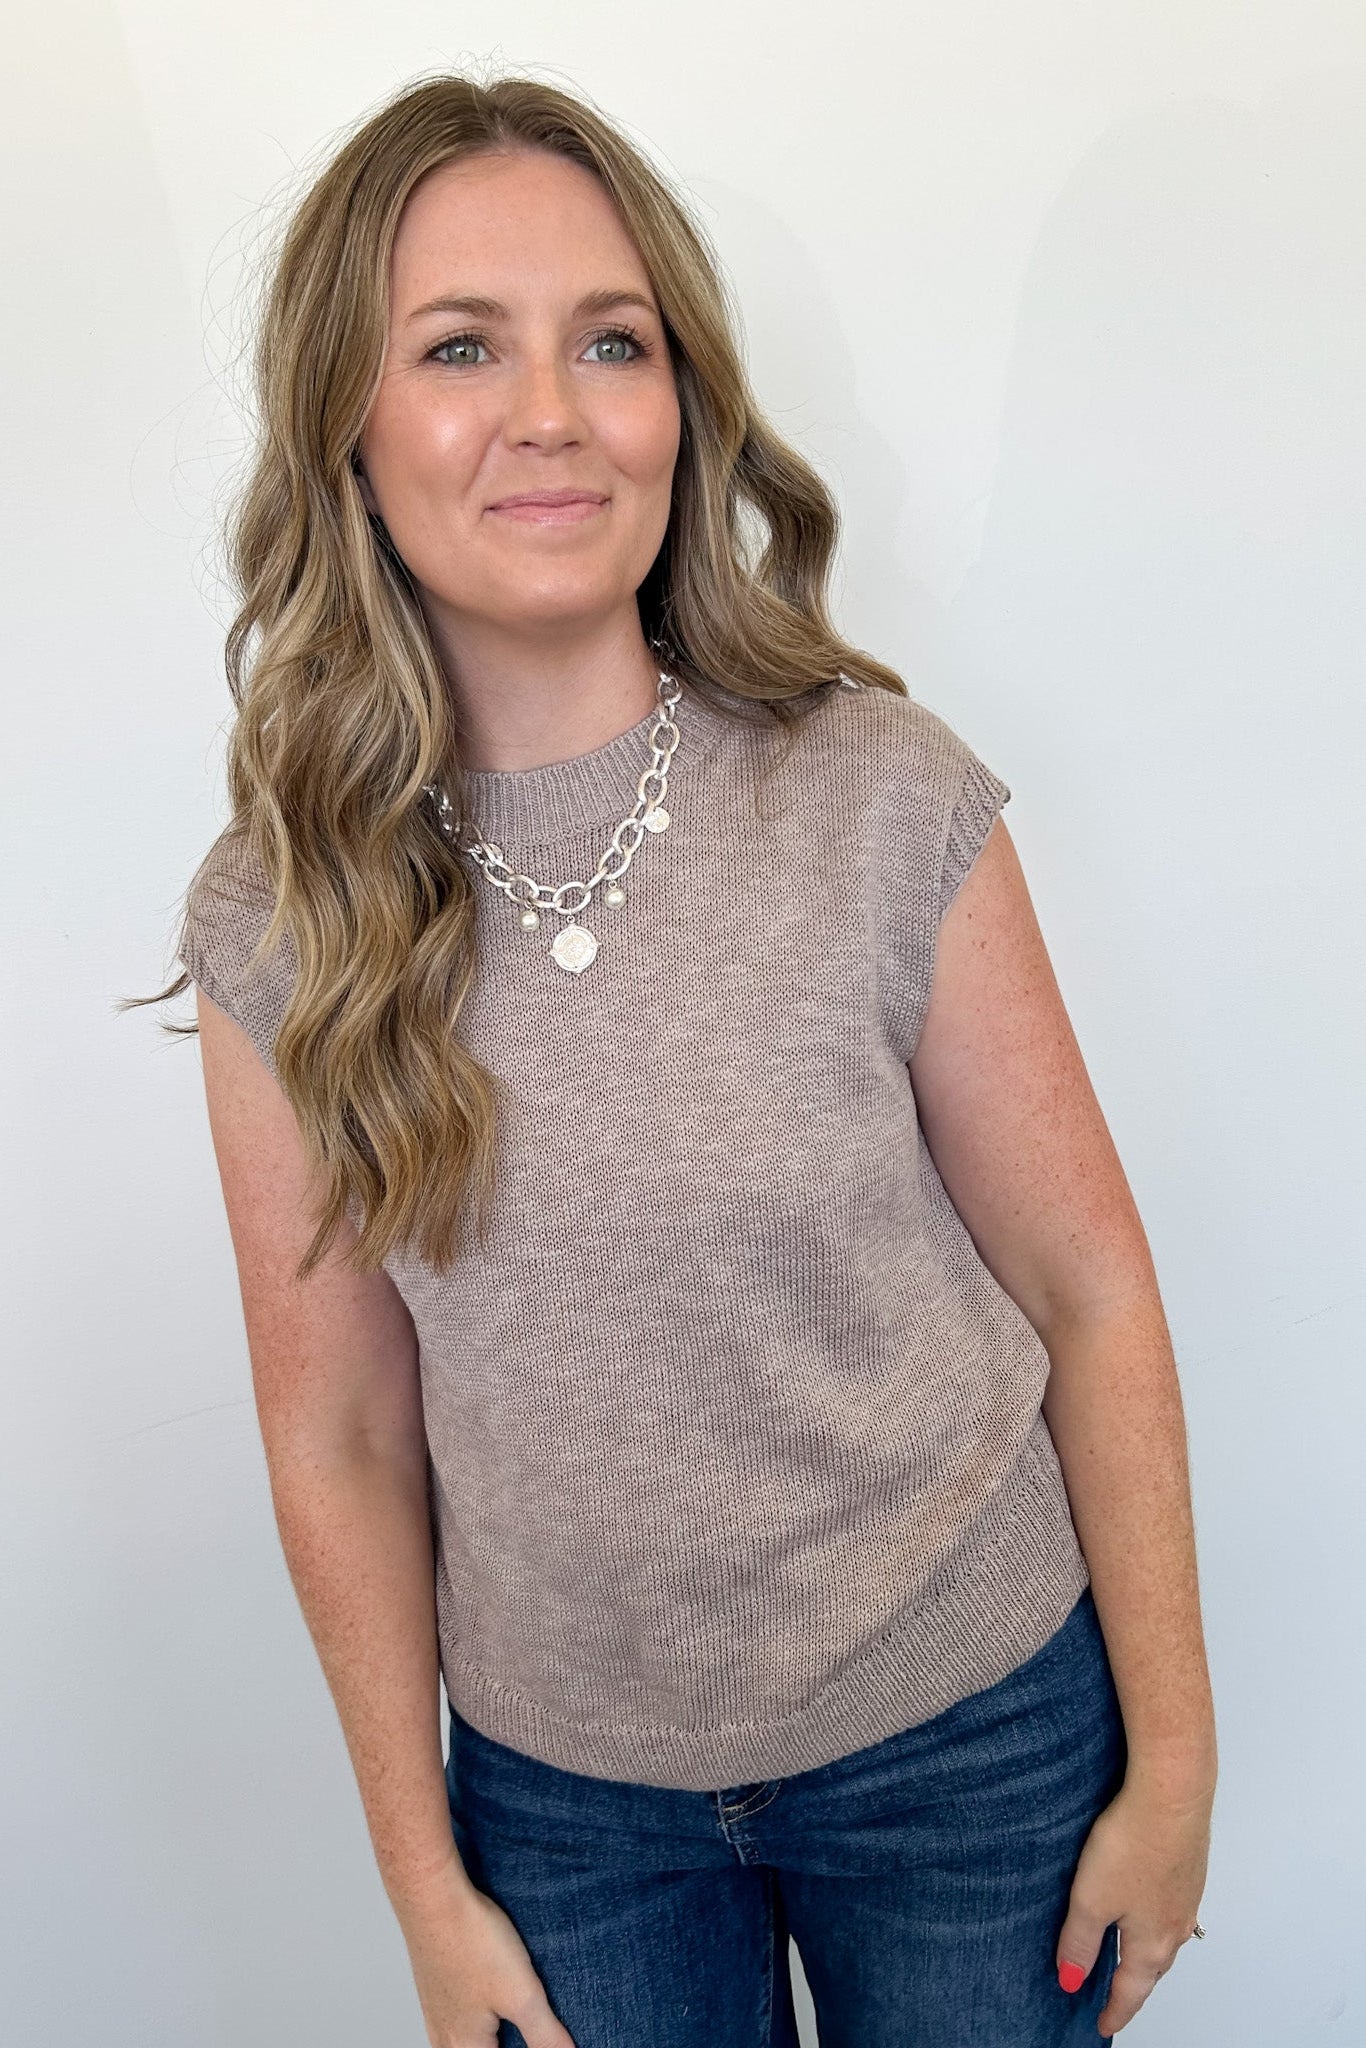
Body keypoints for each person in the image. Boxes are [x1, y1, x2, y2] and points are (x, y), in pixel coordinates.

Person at [141, 71, 1215, 2048]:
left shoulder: (881, 799)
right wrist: (423, 1893)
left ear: (680, 407)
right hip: (568, 1818)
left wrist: (1177, 1767)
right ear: (345, 431)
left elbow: (1090, 1286)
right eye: (458, 346)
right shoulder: (282, 919)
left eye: (610, 341)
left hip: (972, 1748)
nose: (549, 410)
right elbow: (340, 1437)